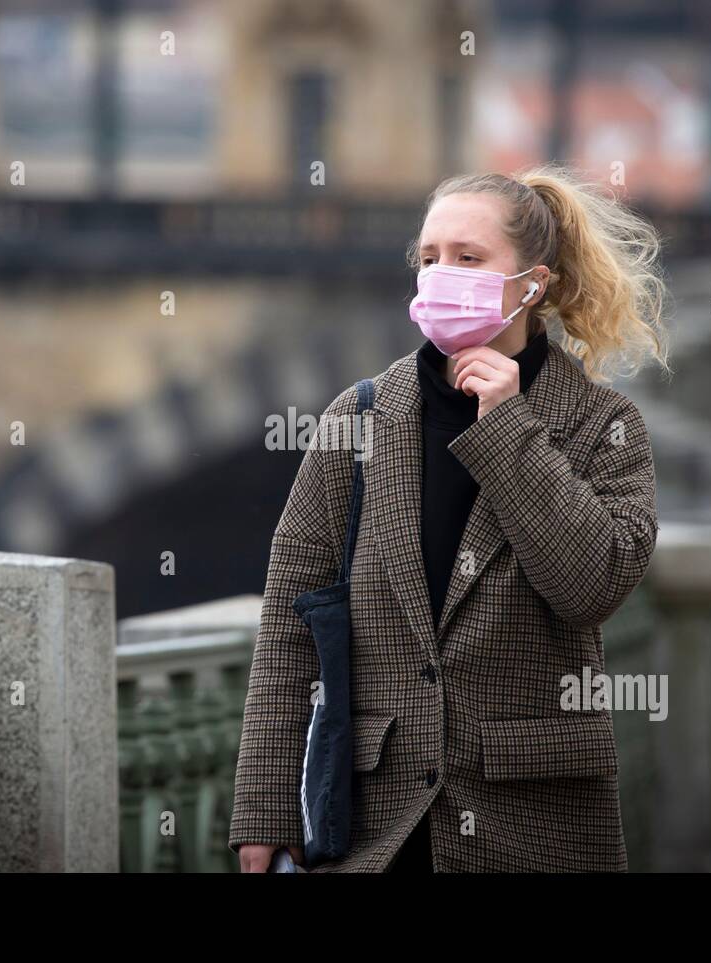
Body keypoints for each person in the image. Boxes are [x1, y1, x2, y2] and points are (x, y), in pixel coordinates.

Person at [230, 165, 670, 873]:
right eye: (430, 258)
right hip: (378, 826)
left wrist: (508, 430)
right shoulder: (360, 418)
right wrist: (266, 811)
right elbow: (289, 620)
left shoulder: (603, 424)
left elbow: (593, 586)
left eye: (469, 259)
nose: (441, 275)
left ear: (534, 282)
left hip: (534, 822)